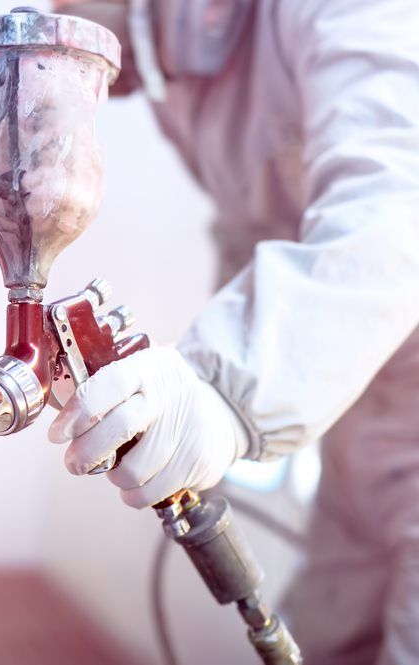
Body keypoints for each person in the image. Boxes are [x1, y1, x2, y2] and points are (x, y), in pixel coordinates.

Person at [46, 1, 419, 662]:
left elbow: (395, 207)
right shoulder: (178, 62)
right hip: (364, 429)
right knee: (332, 637)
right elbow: (258, 222)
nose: (56, 14)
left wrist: (224, 388)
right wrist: (179, 389)